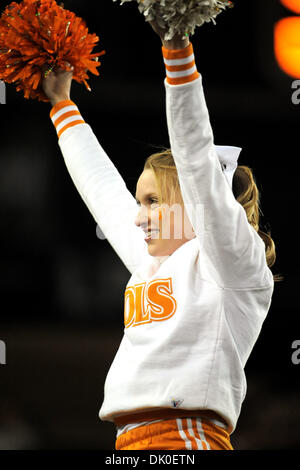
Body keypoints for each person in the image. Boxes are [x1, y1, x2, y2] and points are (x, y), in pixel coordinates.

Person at [42, 17, 276, 451]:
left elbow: (195, 157)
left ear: (195, 202)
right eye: (140, 203)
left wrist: (176, 51)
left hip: (185, 438)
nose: (137, 216)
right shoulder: (155, 262)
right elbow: (103, 193)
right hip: (129, 441)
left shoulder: (231, 264)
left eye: (152, 201)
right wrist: (61, 104)